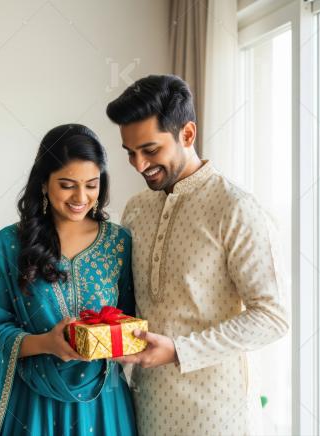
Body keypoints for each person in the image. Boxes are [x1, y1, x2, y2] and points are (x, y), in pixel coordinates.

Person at [107, 74, 289, 434]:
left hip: (214, 416)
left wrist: (179, 350)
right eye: (130, 153)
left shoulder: (235, 209)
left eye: (150, 150)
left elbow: (272, 316)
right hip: (143, 408)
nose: (139, 165)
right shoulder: (136, 210)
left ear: (187, 135)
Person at [0, 124, 137, 435]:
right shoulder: (10, 244)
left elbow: (132, 320)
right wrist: (46, 343)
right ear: (43, 183)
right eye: (67, 185)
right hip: (30, 405)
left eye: (91, 185)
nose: (81, 197)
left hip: (102, 404)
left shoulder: (118, 243)